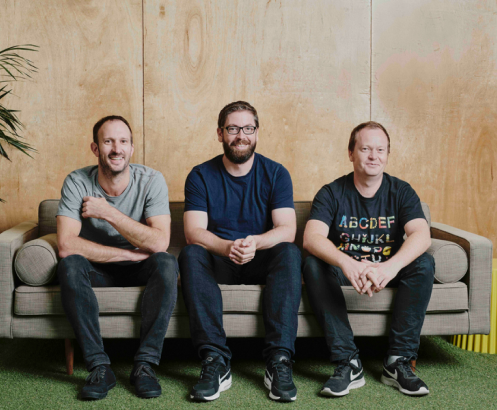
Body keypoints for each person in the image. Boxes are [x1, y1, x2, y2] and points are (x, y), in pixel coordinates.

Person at [178, 101, 302, 402]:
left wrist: (253, 243)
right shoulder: (200, 175)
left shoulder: (276, 173)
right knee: (190, 253)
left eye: (248, 129)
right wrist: (227, 247)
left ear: (256, 132)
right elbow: (193, 231)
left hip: (260, 258)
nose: (241, 136)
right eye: (233, 129)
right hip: (220, 259)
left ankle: (279, 361)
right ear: (221, 133)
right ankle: (215, 361)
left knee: (289, 252)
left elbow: (287, 228)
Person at [302, 121, 435, 397]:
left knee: (424, 263)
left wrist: (388, 267)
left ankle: (397, 362)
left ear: (387, 155)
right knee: (312, 263)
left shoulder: (401, 191)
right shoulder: (331, 192)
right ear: (351, 153)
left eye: (380, 149)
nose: (373, 156)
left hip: (388, 268)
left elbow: (422, 235)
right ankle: (347, 362)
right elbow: (312, 238)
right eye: (365, 149)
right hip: (346, 270)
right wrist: (349, 264)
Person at [56, 115, 178, 400]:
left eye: (123, 141)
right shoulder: (76, 181)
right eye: (108, 141)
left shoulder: (151, 180)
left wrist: (107, 212)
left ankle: (145, 366)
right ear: (95, 148)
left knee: (167, 262)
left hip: (142, 267)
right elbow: (65, 244)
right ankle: (99, 367)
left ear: (132, 149)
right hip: (97, 269)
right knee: (70, 264)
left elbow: (160, 242)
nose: (116, 148)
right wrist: (126, 253)